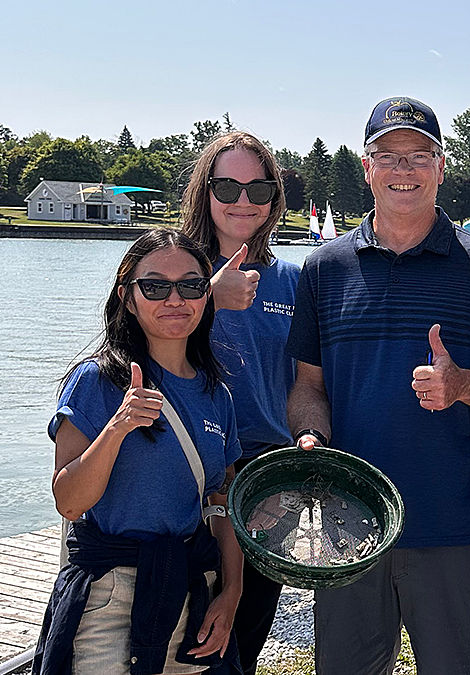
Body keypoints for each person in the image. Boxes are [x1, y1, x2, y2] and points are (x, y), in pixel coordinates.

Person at [285, 96, 470, 675]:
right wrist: (311, 434)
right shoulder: (323, 269)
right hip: (348, 529)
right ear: (366, 168)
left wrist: (462, 385)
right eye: (387, 156)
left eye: (419, 155)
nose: (403, 171)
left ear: (442, 166)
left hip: (453, 532)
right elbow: (308, 385)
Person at [34, 229, 243, 675]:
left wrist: (231, 593)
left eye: (191, 285)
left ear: (206, 296)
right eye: (154, 286)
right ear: (128, 297)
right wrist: (118, 427)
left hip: (190, 590)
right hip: (108, 597)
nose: (175, 299)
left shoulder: (217, 395)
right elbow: (69, 501)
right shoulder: (96, 382)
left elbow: (219, 503)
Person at [180, 131, 300, 675]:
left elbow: (307, 384)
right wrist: (207, 296)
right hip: (188, 468)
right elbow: (123, 350)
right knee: (182, 635)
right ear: (205, 193)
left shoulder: (295, 280)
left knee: (246, 631)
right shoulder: (172, 271)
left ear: (275, 199)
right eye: (228, 186)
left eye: (259, 188)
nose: (243, 200)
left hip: (268, 476)